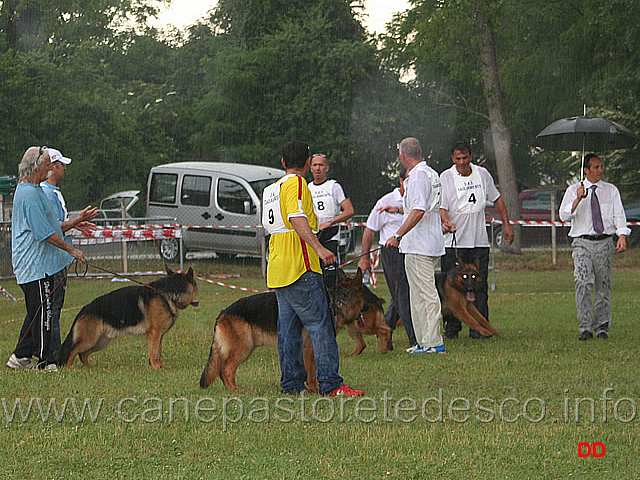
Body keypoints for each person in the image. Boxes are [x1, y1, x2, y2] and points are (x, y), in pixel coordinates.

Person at [262, 141, 363, 396]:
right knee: (321, 325)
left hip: (278, 264)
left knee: (288, 330)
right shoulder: (296, 184)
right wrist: (319, 248)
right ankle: (331, 384)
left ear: (283, 162)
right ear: (308, 163)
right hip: (300, 263)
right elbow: (296, 217)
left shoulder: (271, 189)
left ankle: (292, 384)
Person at [7, 146, 86, 371]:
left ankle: (21, 356)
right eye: (48, 164)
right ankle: (46, 361)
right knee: (45, 313)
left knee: (36, 313)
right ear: (36, 167)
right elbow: (44, 233)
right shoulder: (29, 195)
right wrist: (71, 251)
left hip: (42, 266)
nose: (51, 168)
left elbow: (52, 225)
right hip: (35, 267)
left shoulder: (35, 190)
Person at [439, 141, 513, 339]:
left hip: (478, 241)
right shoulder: (445, 177)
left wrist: (506, 224)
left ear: (470, 157)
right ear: (453, 159)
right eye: (458, 159)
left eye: (465, 158)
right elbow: (441, 206)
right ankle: (452, 328)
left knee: (479, 286)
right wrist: (446, 222)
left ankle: (480, 330)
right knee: (451, 288)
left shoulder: (482, 174)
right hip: (454, 243)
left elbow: (497, 199)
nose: (462, 162)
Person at [384, 137, 447, 354]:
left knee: (425, 293)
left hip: (420, 244)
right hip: (421, 243)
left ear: (403, 155)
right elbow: (421, 207)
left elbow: (419, 210)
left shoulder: (419, 175)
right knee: (417, 294)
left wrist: (398, 235)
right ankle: (422, 341)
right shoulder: (428, 172)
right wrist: (399, 211)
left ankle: (433, 342)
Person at [559, 153, 629, 340]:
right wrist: (577, 200)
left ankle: (603, 326)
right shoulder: (574, 190)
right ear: (586, 170)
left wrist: (622, 235)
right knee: (582, 282)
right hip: (582, 243)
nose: (600, 171)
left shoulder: (611, 190)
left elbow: (619, 215)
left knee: (603, 285)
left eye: (601, 166)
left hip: (604, 242)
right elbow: (563, 216)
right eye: (596, 167)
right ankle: (585, 326)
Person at [39, 148, 98, 357]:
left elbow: (59, 225)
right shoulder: (46, 193)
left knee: (53, 310)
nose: (65, 168)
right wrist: (77, 220)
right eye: (62, 164)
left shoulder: (52, 192)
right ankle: (52, 354)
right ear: (52, 166)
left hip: (59, 261)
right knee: (52, 311)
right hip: (53, 262)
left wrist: (74, 225)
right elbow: (52, 228)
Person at [358, 166, 416, 349]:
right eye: (407, 180)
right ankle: (415, 338)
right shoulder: (385, 201)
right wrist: (364, 258)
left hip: (415, 251)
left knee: (401, 296)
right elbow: (369, 230)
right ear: (400, 181)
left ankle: (386, 329)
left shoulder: (417, 197)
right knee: (402, 295)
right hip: (393, 253)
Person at [307, 153, 355, 262]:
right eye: (314, 165)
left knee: (330, 274)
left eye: (321, 165)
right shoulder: (307, 188)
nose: (318, 168)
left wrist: (330, 222)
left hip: (330, 237)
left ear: (326, 168)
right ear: (311, 168)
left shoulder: (334, 186)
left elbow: (349, 211)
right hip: (313, 239)